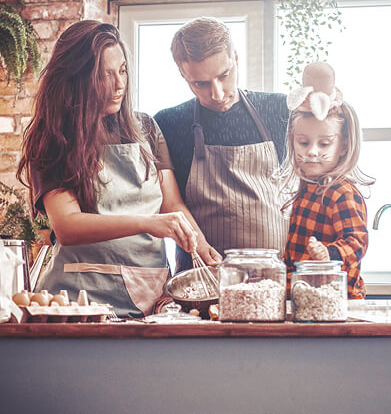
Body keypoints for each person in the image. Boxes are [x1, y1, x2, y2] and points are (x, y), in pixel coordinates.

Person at [17, 20, 216, 317]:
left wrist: (203, 248)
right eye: (104, 75)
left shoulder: (145, 128)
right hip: (77, 302)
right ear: (77, 78)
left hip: (150, 298)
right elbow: (67, 226)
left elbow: (171, 204)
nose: (119, 84)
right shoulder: (53, 138)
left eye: (122, 70)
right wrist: (147, 222)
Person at [154, 17, 290, 271]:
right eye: (201, 84)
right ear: (183, 75)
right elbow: (169, 203)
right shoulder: (168, 123)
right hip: (203, 280)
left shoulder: (279, 109)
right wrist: (198, 243)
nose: (217, 94)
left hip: (278, 278)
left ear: (235, 58)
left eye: (224, 75)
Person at [281, 61, 374, 299]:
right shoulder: (307, 188)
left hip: (338, 301)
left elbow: (357, 242)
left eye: (324, 143)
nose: (312, 151)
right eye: (303, 142)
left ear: (343, 146)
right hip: (306, 298)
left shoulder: (341, 192)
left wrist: (329, 254)